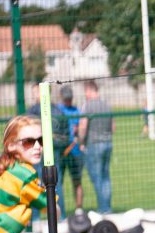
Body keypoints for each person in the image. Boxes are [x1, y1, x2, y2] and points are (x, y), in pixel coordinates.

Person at [27, 83, 70, 218]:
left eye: (35, 92)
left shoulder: (32, 111)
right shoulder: (58, 110)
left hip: (39, 151)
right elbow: (65, 133)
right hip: (54, 150)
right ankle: (60, 216)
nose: (33, 95)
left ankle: (35, 218)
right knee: (55, 182)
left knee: (35, 184)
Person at [78, 80, 114, 214]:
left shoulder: (87, 105)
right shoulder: (107, 105)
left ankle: (103, 208)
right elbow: (113, 127)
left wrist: (81, 142)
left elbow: (83, 126)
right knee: (105, 176)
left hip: (94, 144)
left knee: (97, 177)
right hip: (108, 143)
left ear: (89, 90)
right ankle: (107, 208)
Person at [58, 85, 84, 213]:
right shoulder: (58, 110)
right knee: (58, 182)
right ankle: (59, 210)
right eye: (66, 98)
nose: (68, 101)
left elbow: (80, 128)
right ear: (61, 97)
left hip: (75, 152)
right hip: (61, 152)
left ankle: (79, 209)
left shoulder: (76, 110)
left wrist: (78, 133)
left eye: (70, 98)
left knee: (77, 181)